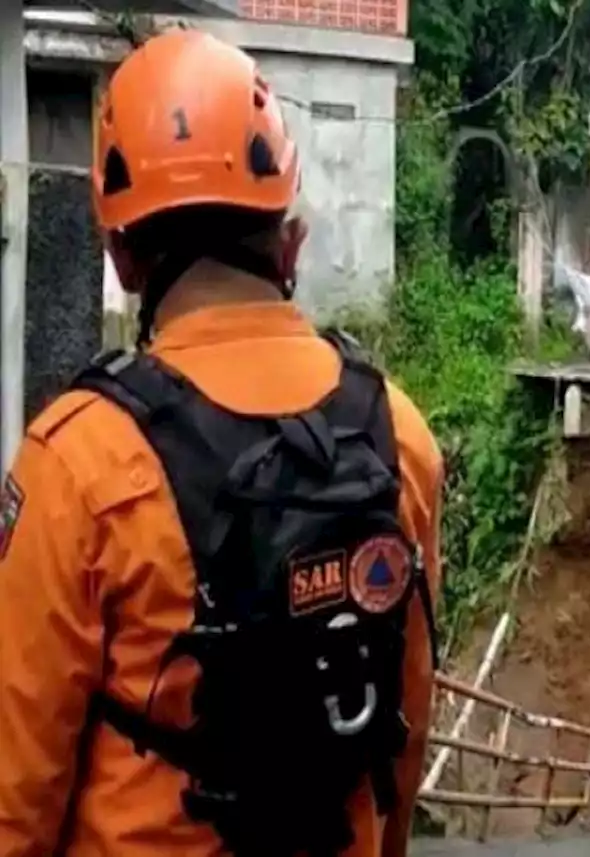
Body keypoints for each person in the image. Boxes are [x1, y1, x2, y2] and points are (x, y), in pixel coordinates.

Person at [0, 30, 443, 857]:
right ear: (292, 244)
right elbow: (402, 733)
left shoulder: (76, 464)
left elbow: (13, 794)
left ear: (123, 257)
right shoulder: (399, 437)